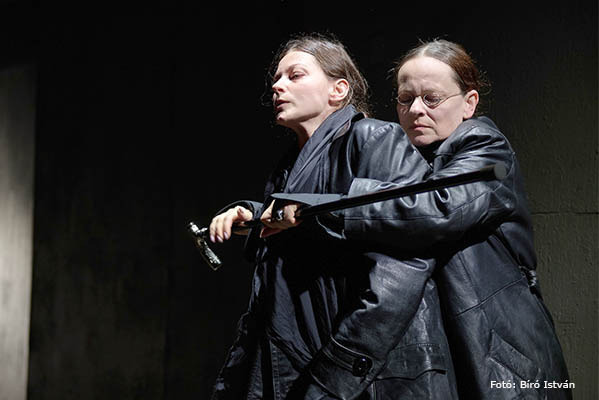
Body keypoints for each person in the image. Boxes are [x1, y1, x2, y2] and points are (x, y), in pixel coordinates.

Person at [209, 34, 459, 399]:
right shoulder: (288, 167)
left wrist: (337, 372)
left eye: (295, 75)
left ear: (338, 90)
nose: (277, 86)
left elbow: (404, 259)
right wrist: (255, 215)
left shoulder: (374, 138)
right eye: (276, 79)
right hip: (294, 361)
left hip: (363, 375)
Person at [379, 39, 570, 399]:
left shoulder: (485, 146)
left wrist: (322, 213)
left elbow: (437, 209)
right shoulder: (402, 162)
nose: (416, 110)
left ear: (469, 103)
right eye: (405, 99)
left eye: (431, 98)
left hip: (506, 364)